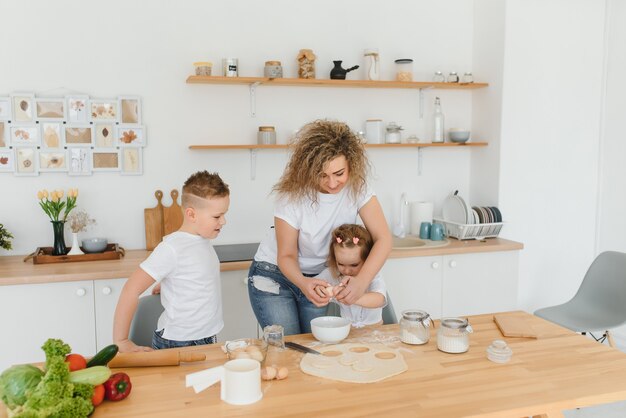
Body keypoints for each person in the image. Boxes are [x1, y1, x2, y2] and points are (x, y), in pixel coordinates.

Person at [248, 119, 392, 335]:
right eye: (322, 175)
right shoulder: (292, 196)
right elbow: (286, 255)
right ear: (308, 168)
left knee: (315, 345)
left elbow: (384, 239)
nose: (332, 183)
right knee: (289, 348)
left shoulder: (358, 189)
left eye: (339, 173)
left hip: (321, 279)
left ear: (351, 164)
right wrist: (304, 284)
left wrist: (361, 282)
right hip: (275, 275)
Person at [112, 171, 230, 353]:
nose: (223, 221)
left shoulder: (201, 240)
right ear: (191, 215)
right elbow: (130, 289)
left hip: (207, 337)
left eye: (224, 214)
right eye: (217, 216)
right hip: (179, 343)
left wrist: (170, 283)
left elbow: (194, 275)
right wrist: (120, 340)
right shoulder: (172, 248)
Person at [315, 224, 387, 328]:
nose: (347, 270)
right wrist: (320, 289)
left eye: (354, 265)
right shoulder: (333, 273)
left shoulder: (373, 274)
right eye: (341, 264)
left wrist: (352, 297)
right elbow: (314, 284)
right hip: (347, 330)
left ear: (367, 259)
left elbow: (379, 299)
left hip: (374, 330)